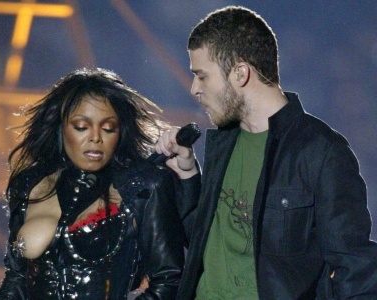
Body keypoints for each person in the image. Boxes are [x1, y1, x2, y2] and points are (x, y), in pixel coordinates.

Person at [155, 6, 377, 300]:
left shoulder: (321, 153)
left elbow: (356, 273)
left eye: (202, 76)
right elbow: (207, 241)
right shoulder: (225, 143)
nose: (195, 88)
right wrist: (187, 176)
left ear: (240, 73)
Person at [0, 67, 185, 299]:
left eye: (108, 128)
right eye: (82, 127)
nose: (95, 137)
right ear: (61, 127)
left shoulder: (144, 186)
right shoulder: (29, 184)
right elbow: (15, 278)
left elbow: (168, 280)